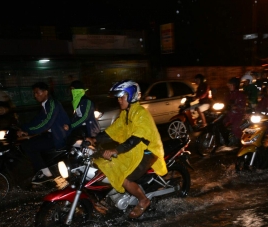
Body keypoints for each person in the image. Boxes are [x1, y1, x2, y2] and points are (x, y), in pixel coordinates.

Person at [86, 80, 167, 219]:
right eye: (118, 97)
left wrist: (116, 150)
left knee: (124, 177)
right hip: (133, 149)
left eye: (121, 97)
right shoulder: (126, 113)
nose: (119, 100)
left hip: (147, 150)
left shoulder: (141, 114)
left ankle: (143, 200)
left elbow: (135, 139)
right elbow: (113, 130)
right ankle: (115, 194)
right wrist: (95, 139)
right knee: (105, 164)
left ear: (131, 96)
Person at [17, 81, 70, 184]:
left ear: (45, 92)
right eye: (34, 93)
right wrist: (23, 127)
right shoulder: (45, 105)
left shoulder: (52, 103)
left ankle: (46, 174)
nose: (35, 95)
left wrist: (28, 130)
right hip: (51, 135)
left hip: (58, 136)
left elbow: (47, 123)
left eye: (37, 92)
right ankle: (42, 169)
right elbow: (37, 120)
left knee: (28, 146)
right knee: (31, 142)